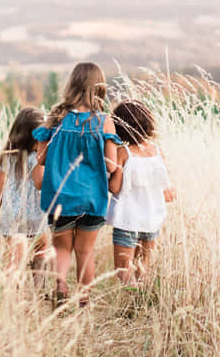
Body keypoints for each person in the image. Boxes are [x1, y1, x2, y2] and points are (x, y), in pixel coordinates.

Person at [32, 62, 124, 308]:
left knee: (61, 248)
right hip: (92, 198)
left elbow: (40, 159)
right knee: (86, 251)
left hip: (59, 197)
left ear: (71, 84)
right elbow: (111, 166)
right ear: (100, 88)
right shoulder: (104, 122)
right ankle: (84, 300)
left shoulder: (56, 119)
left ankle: (60, 286)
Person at [107, 100, 175, 284]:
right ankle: (140, 302)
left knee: (123, 267)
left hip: (128, 219)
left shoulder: (123, 153)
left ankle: (131, 301)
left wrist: (105, 178)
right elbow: (168, 191)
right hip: (152, 218)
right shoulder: (158, 152)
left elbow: (115, 187)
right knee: (143, 263)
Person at [0, 107, 49, 287]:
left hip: (10, 215)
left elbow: (0, 186)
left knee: (15, 257)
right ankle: (37, 287)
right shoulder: (38, 155)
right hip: (34, 214)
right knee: (41, 246)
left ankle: (1, 282)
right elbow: (40, 182)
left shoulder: (9, 155)